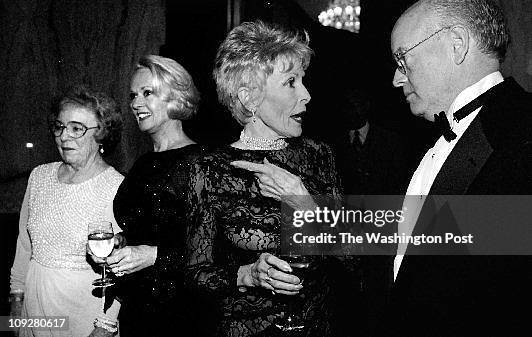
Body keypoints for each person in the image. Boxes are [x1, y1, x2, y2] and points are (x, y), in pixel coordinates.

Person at [184, 21, 345, 336]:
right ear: (249, 98)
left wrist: (301, 200)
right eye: (291, 82)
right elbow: (196, 273)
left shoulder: (320, 155)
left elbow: (350, 257)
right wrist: (247, 275)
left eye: (303, 80)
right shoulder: (209, 168)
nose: (307, 94)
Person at [385, 0, 532, 336]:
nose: (396, 78)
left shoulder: (522, 133)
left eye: (402, 59)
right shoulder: (426, 142)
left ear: (457, 43)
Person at [99, 55, 206, 337]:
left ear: (176, 97)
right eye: (133, 95)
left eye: (148, 93)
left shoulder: (201, 164)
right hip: (137, 310)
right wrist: (121, 242)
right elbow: (144, 230)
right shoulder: (142, 164)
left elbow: (218, 251)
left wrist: (155, 255)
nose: (135, 103)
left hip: (182, 313)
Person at [9, 85, 124, 336]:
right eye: (60, 127)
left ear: (102, 133)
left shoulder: (117, 187)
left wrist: (104, 328)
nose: (64, 136)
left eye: (76, 128)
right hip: (35, 312)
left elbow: (122, 274)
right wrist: (16, 306)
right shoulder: (39, 176)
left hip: (86, 316)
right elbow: (24, 247)